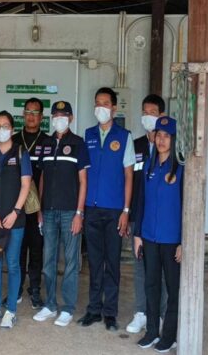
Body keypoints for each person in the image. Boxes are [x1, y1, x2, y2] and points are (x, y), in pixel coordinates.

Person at [78, 87, 135, 332]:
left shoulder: (124, 136)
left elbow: (129, 175)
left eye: (105, 103)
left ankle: (110, 312)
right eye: (97, 103)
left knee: (112, 263)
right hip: (92, 208)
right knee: (94, 261)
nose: (100, 107)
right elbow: (83, 175)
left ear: (113, 107)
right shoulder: (88, 134)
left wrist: (126, 210)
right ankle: (93, 309)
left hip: (114, 210)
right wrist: (81, 210)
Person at [32, 101, 89, 327]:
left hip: (70, 212)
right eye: (55, 115)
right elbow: (42, 178)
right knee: (48, 260)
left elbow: (83, 181)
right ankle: (50, 305)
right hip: (48, 211)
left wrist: (79, 213)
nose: (59, 119)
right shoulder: (45, 143)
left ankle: (68, 307)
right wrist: (39, 209)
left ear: (71, 119)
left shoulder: (78, 143)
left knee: (71, 261)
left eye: (63, 115)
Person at [134, 117, 183, 353]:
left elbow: (187, 207)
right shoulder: (148, 166)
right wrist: (137, 234)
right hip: (149, 237)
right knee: (151, 285)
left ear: (173, 139)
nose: (161, 140)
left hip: (172, 239)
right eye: (158, 135)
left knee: (173, 289)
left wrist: (183, 242)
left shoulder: (181, 169)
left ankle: (169, 336)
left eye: (166, 136)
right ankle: (152, 331)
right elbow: (140, 201)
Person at [0, 111, 31, 329]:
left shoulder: (21, 152)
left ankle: (11, 310)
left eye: (5, 126)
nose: (1, 129)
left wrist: (15, 212)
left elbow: (25, 185)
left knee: (12, 264)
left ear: (12, 129)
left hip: (15, 221)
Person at [126, 94, 167, 334]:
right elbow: (129, 181)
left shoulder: (170, 146)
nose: (147, 117)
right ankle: (141, 312)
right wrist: (128, 215)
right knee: (140, 266)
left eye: (152, 112)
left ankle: (159, 315)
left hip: (162, 217)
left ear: (161, 115)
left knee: (160, 269)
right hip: (139, 215)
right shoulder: (136, 145)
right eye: (144, 112)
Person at [13, 97, 46, 308]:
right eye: (28, 112)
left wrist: (43, 207)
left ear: (41, 117)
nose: (31, 116)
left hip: (38, 207)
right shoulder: (14, 140)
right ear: (23, 115)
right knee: (17, 249)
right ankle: (16, 288)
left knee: (36, 248)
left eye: (35, 112)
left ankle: (35, 289)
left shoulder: (48, 142)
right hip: (17, 205)